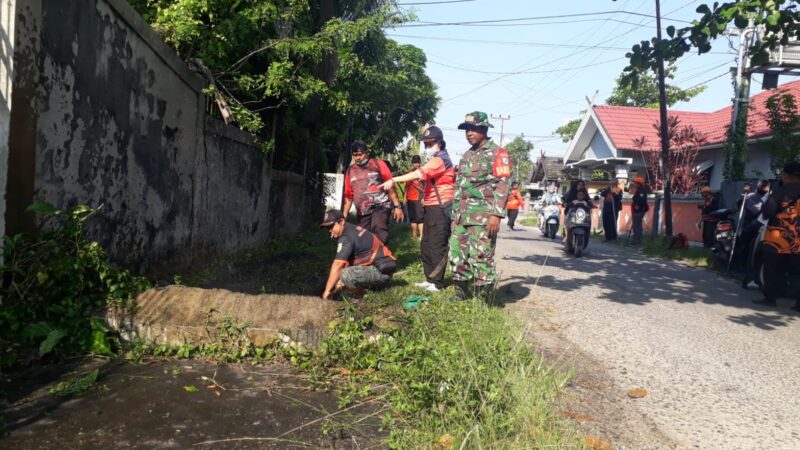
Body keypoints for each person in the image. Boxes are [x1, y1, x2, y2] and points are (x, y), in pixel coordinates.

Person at [381, 125, 456, 292]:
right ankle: (430, 278)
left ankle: (437, 282)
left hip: (440, 207)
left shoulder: (441, 159)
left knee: (437, 244)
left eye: (430, 143)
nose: (427, 146)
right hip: (430, 206)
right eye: (426, 144)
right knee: (426, 243)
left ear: (440, 143)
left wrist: (393, 180)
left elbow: (418, 174)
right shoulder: (435, 158)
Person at [450, 111, 511, 301]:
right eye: (467, 129)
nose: (469, 133)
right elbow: (460, 186)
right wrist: (454, 216)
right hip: (461, 216)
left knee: (482, 255)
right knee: (457, 253)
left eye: (474, 129)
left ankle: (484, 297)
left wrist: (496, 214)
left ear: (484, 129)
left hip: (483, 217)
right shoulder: (467, 155)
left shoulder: (497, 153)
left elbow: (503, 183)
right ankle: (461, 291)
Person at [753, 162, 800, 312]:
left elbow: (768, 211)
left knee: (773, 270)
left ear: (787, 175)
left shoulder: (780, 191)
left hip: (777, 238)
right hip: (797, 240)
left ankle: (771, 298)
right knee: (796, 272)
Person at [320, 210, 397, 300]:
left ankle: (362, 297)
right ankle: (355, 291)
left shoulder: (347, 237)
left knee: (346, 275)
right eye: (327, 228)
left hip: (381, 273)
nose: (329, 230)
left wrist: (327, 292)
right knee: (339, 278)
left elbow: (338, 265)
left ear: (341, 222)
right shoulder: (349, 229)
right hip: (378, 269)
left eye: (331, 226)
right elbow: (346, 262)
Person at [342, 140, 404, 244]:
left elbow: (390, 185)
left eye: (360, 154)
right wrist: (344, 216)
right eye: (355, 155)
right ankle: (368, 258)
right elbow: (348, 196)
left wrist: (397, 206)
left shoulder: (378, 164)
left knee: (379, 232)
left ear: (367, 153)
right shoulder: (350, 171)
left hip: (381, 206)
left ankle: (380, 258)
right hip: (362, 211)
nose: (357, 157)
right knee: (363, 237)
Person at [404, 155, 425, 240]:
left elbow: (426, 186)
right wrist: (405, 197)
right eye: (414, 162)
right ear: (412, 163)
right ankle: (414, 236)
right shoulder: (409, 172)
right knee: (412, 218)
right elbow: (407, 187)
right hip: (410, 198)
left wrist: (424, 198)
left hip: (419, 198)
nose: (416, 164)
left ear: (420, 163)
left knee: (420, 219)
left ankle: (421, 236)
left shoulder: (423, 172)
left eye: (417, 162)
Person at [630, 177, 649, 245]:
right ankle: (636, 239)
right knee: (636, 225)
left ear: (638, 184)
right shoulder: (639, 190)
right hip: (637, 210)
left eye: (635, 183)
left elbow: (642, 200)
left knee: (637, 226)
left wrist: (637, 205)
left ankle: (637, 240)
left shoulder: (641, 190)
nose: (634, 184)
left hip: (639, 210)